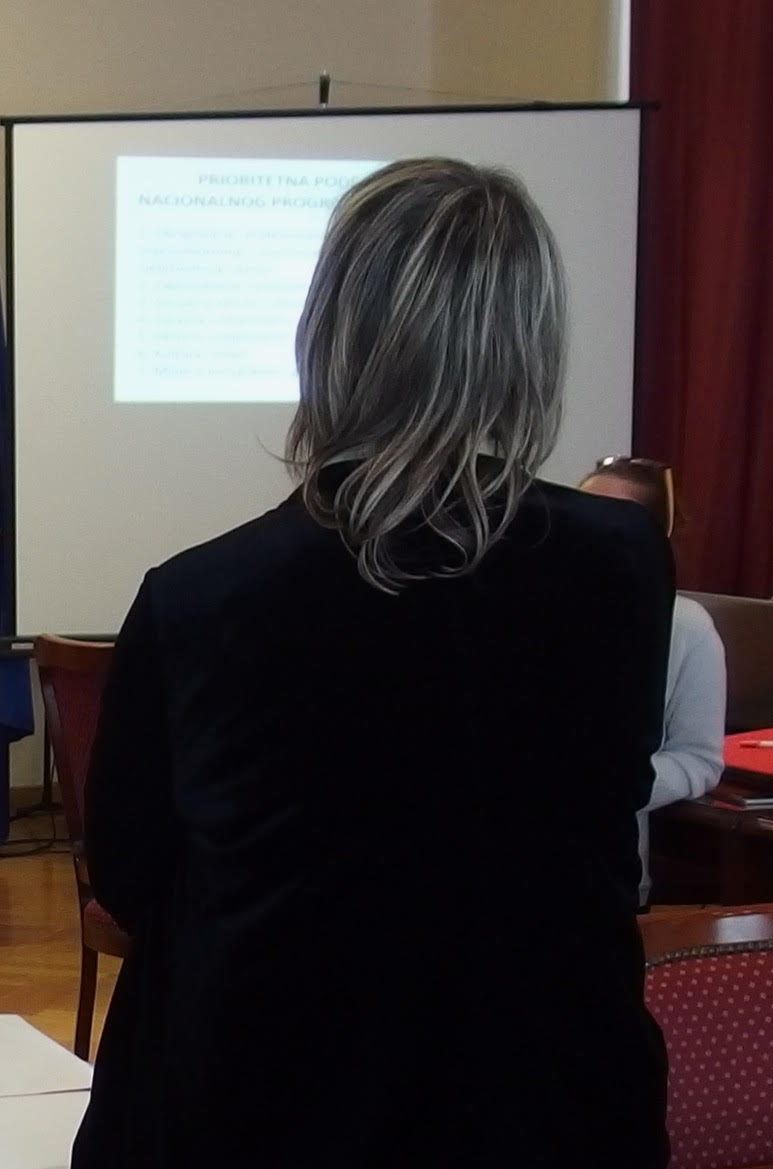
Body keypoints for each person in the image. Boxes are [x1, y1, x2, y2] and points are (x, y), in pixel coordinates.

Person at [74, 159, 672, 1165]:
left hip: (267, 1107)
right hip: (550, 1098)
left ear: (330, 336)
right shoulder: (622, 565)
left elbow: (130, 879)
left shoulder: (205, 594)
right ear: (530, 347)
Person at [578, 457, 724, 906]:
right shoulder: (523, 608)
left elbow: (699, 759)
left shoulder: (685, 626)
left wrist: (598, 788)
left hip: (600, 873)